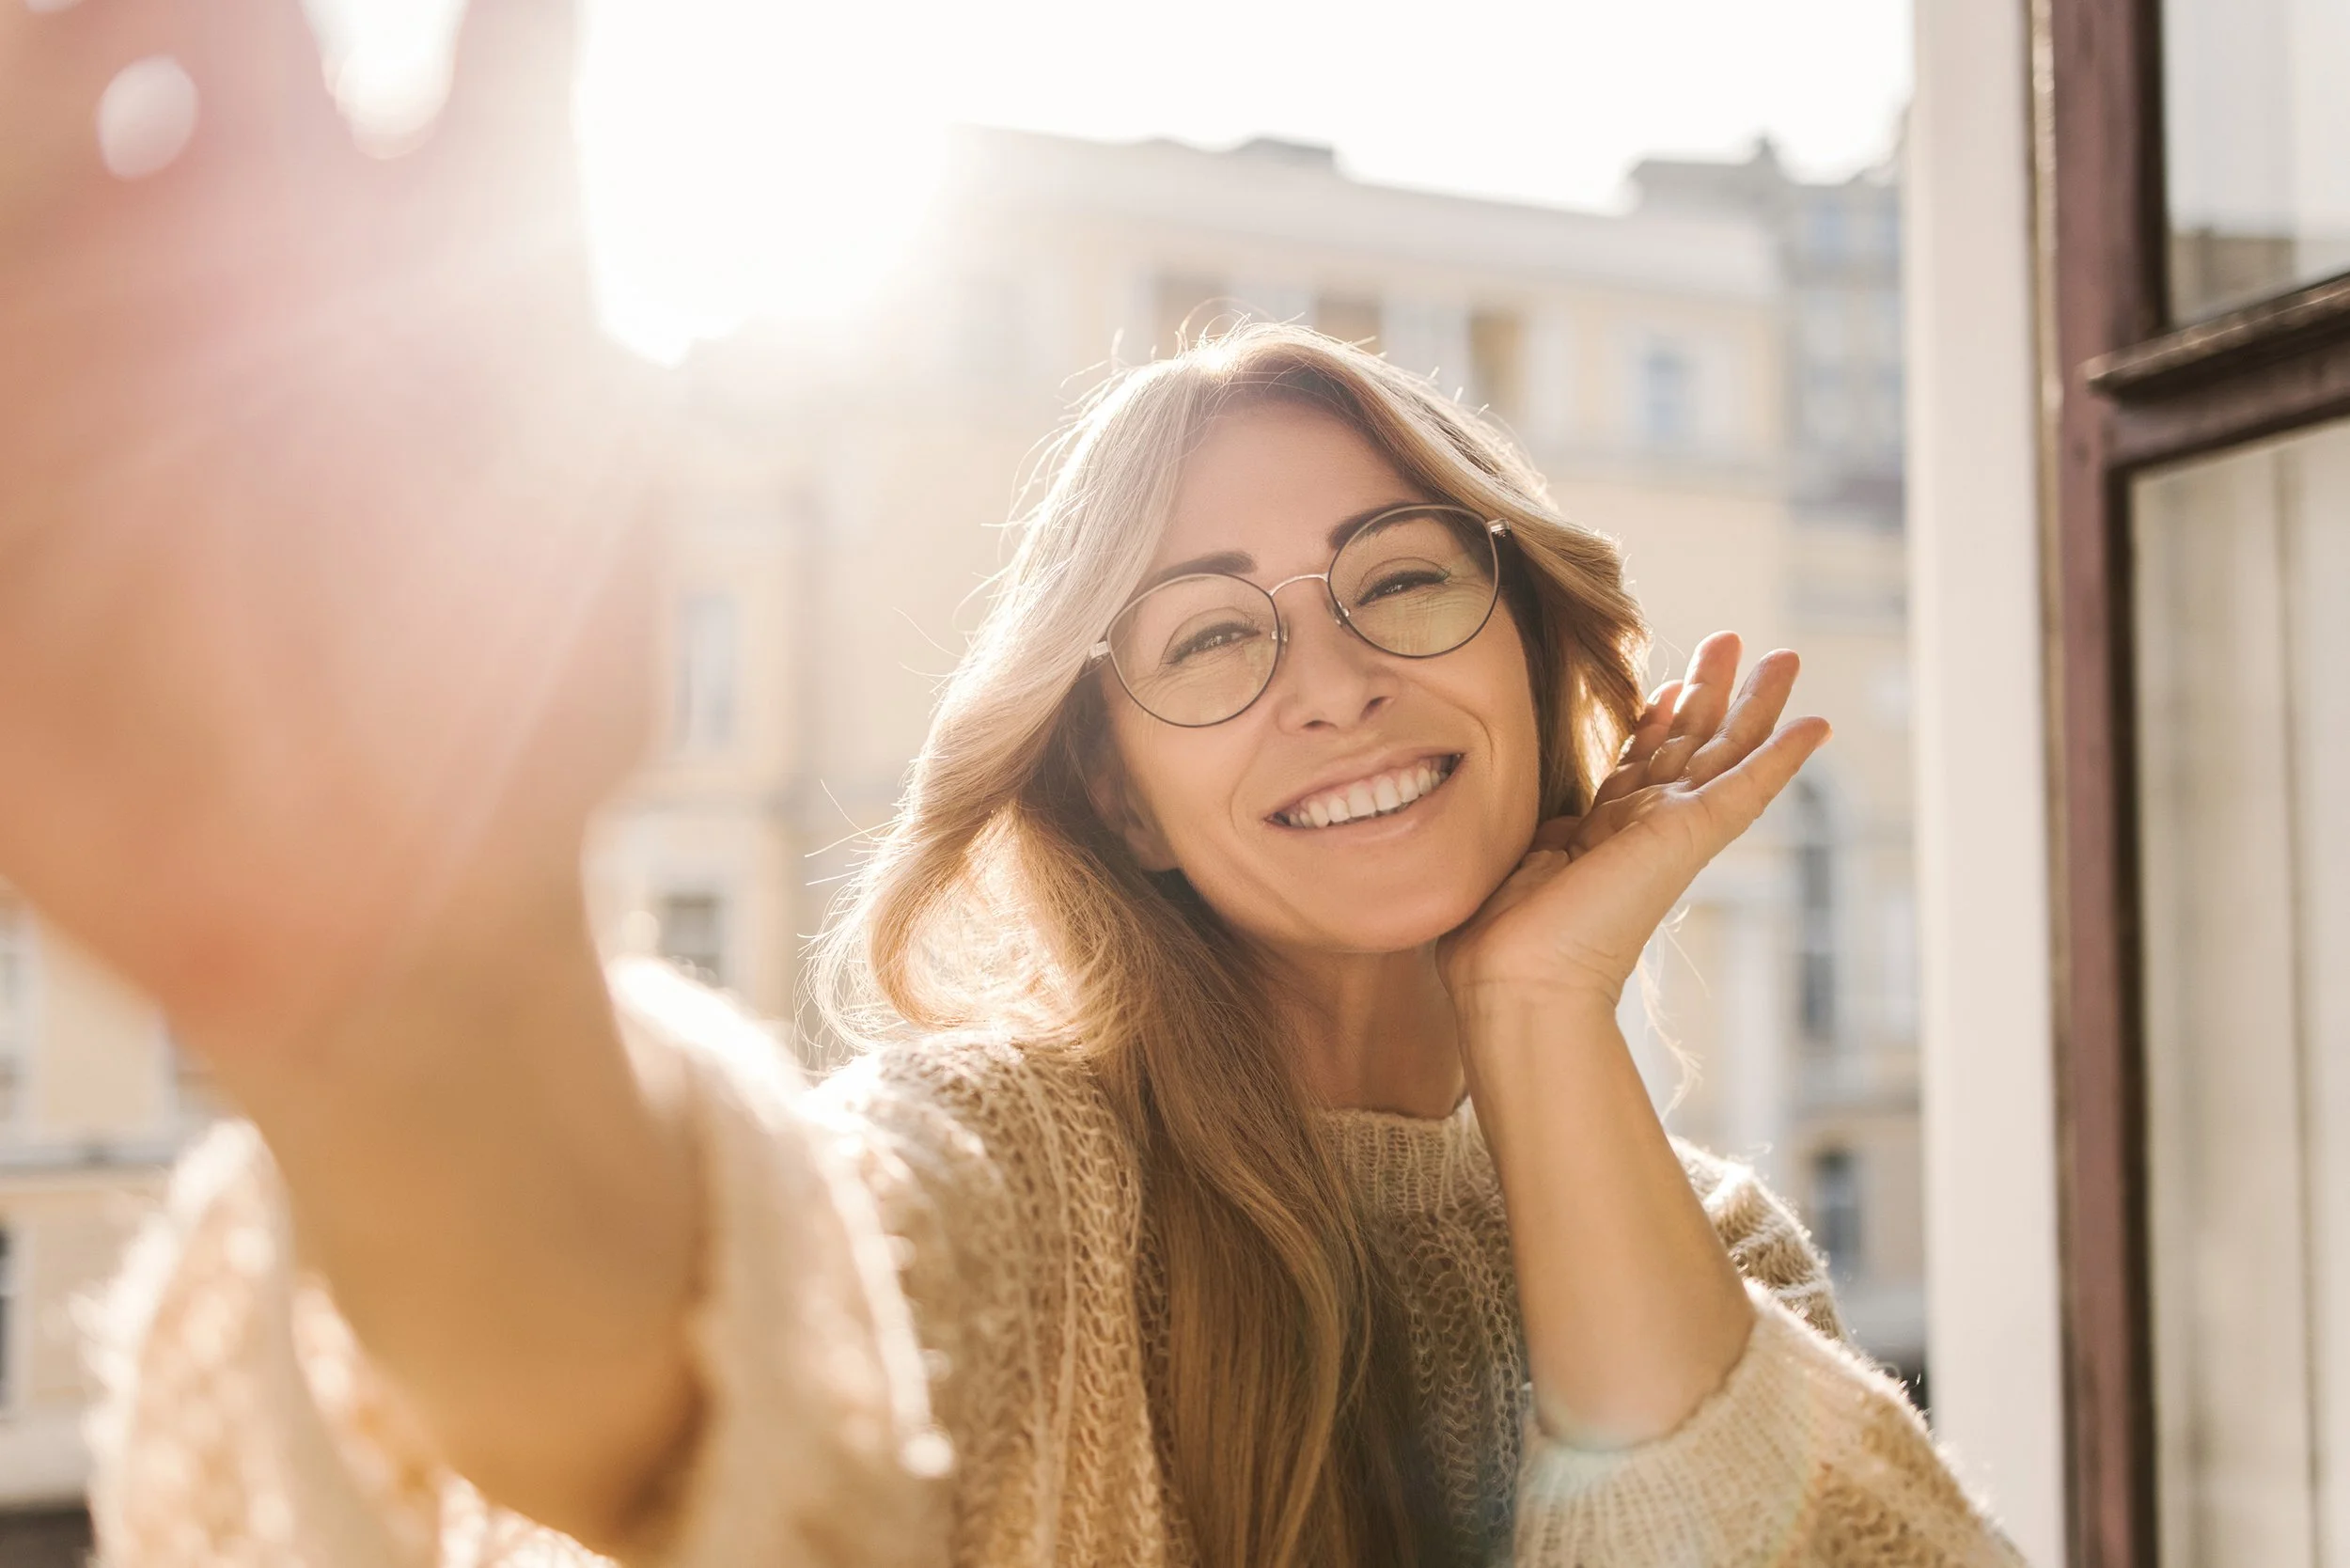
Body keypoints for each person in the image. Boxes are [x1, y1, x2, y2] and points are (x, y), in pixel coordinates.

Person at [1, 4, 2023, 1564]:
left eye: (1398, 582)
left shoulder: (1719, 1247)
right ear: (1119, 790)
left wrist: (1534, 1003)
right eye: (1210, 637)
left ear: (1524, 643)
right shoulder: (1014, 1177)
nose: (1327, 682)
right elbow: (683, 1378)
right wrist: (422, 999)